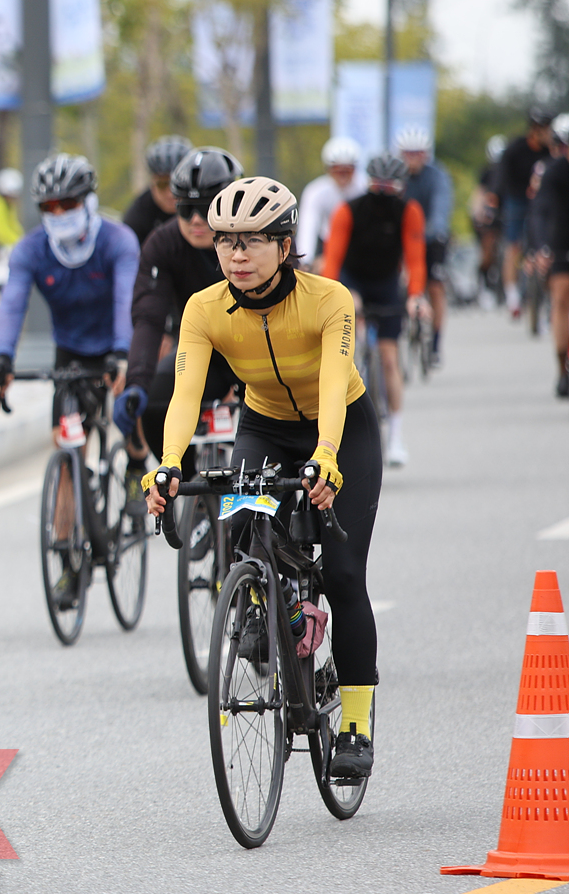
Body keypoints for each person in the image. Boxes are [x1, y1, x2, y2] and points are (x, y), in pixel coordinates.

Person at [146, 177, 383, 782]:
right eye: (226, 242)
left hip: (342, 428)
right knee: (246, 522)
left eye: (252, 241)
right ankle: (264, 604)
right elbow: (184, 394)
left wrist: (326, 456)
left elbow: (334, 381)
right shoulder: (204, 309)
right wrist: (170, 462)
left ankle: (355, 724)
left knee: (343, 574)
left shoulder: (329, 300)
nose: (237, 255)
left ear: (283, 246)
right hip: (266, 427)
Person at [0, 154, 139, 608]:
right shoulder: (32, 249)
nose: (58, 213)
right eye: (48, 207)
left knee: (132, 404)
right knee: (68, 450)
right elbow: (13, 303)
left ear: (88, 201)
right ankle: (69, 560)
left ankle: (136, 468)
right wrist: (2, 359)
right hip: (70, 352)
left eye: (68, 204)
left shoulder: (117, 240)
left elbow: (125, 300)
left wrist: (122, 353)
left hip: (118, 342)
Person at [115, 146, 242, 460]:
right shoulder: (162, 242)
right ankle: (181, 480)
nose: (196, 219)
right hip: (203, 349)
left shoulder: (256, 235)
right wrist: (136, 381)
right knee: (154, 402)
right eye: (185, 208)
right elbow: (148, 317)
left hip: (259, 350)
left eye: (206, 208)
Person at [319, 150, 427, 467]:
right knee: (346, 351)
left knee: (390, 359)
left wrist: (415, 296)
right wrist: (339, 295)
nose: (383, 192)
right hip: (353, 280)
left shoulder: (409, 211)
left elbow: (415, 258)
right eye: (378, 185)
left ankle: (395, 437)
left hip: (386, 283)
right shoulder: (348, 210)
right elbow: (332, 261)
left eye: (390, 187)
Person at [396, 125, 453, 365]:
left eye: (417, 153)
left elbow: (441, 208)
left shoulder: (437, 175)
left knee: (436, 286)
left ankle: (436, 343)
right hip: (402, 238)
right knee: (397, 281)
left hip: (430, 237)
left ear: (425, 154)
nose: (413, 159)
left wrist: (432, 231)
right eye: (408, 154)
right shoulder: (396, 176)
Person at [500, 108, 553, 317]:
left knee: (545, 242)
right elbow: (501, 174)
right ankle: (512, 295)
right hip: (517, 198)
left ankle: (544, 294)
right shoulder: (516, 148)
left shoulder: (549, 151)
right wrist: (496, 196)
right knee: (513, 244)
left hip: (541, 200)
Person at [296, 135, 365, 267]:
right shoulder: (315, 191)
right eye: (337, 171)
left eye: (347, 171)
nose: (343, 176)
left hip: (358, 246)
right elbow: (308, 226)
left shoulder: (364, 188)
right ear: (328, 170)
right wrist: (305, 261)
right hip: (327, 244)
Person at [538, 118, 569, 397]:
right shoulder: (553, 173)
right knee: (561, 299)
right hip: (561, 242)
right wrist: (541, 247)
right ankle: (562, 367)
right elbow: (541, 211)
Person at [121, 136, 192, 247]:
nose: (171, 193)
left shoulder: (207, 206)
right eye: (162, 184)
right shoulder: (137, 217)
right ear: (152, 183)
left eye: (178, 184)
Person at [473, 136, 505, 300]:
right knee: (487, 248)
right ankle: (484, 282)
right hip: (490, 213)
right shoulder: (486, 172)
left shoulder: (509, 171)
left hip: (506, 213)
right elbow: (480, 194)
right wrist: (479, 212)